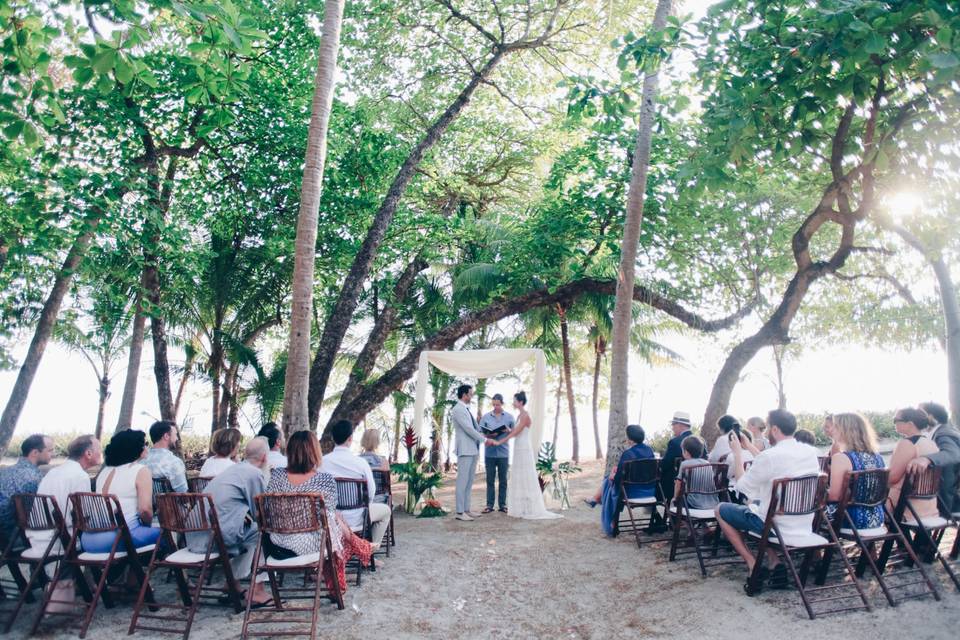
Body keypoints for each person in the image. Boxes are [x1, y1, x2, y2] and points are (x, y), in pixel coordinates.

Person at [715, 409, 819, 592]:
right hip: (803, 522)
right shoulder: (810, 452)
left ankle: (752, 563)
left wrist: (738, 454)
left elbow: (742, 487)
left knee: (721, 510)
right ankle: (774, 561)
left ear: (775, 429)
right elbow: (771, 463)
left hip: (774, 526)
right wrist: (749, 447)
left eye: (769, 426)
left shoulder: (770, 456)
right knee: (758, 506)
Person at [266, 431, 373, 594]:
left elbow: (268, 509)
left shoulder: (277, 476)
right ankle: (350, 554)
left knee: (332, 517)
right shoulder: (324, 480)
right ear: (314, 451)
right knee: (332, 519)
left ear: (290, 451)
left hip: (277, 542)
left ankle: (357, 544)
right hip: (311, 544)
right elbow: (328, 518)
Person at [186, 437, 272, 606]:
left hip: (194, 536)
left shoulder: (234, 470)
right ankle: (257, 590)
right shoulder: (254, 474)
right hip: (213, 540)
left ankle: (232, 583)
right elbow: (260, 513)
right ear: (264, 458)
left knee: (250, 531)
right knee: (262, 532)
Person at [83, 430, 161, 553]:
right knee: (167, 535)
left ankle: (126, 571)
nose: (147, 446)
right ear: (135, 448)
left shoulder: (105, 471)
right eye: (145, 443)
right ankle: (140, 571)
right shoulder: (141, 470)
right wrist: (147, 525)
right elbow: (145, 510)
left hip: (88, 539)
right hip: (117, 538)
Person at [489, 391, 560, 520]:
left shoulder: (525, 415)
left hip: (523, 447)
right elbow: (515, 431)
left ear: (520, 402)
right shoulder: (519, 415)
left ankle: (529, 508)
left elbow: (516, 433)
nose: (513, 402)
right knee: (518, 475)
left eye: (515, 400)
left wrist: (500, 441)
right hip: (518, 447)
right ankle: (521, 507)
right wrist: (508, 430)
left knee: (526, 475)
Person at [320, 420, 392, 548]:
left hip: (332, 518)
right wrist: (364, 505)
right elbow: (371, 492)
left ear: (333, 438)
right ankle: (368, 550)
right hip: (358, 517)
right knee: (386, 511)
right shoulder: (360, 463)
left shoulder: (323, 463)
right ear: (350, 438)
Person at [584, 425, 656, 535]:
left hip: (633, 493)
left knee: (609, 481)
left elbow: (618, 480)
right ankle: (596, 499)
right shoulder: (649, 451)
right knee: (610, 480)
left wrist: (614, 475)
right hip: (650, 491)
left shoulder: (628, 454)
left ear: (630, 440)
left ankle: (604, 510)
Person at [824, 413, 885, 530]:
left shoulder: (841, 458)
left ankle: (811, 547)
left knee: (807, 514)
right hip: (877, 517)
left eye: (835, 426)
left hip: (850, 519)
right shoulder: (877, 457)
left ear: (845, 431)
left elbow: (834, 497)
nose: (831, 430)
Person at [907, 402, 960, 517]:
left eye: (920, 412)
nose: (917, 416)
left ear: (931, 417)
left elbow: (953, 454)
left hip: (953, 501)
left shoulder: (944, 433)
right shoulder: (943, 430)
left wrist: (926, 459)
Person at [451, 384, 494, 521]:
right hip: (465, 449)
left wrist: (486, 432)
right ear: (464, 395)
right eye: (470, 394)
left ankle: (466, 509)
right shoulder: (458, 409)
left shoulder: (466, 409)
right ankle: (459, 512)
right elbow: (468, 429)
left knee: (469, 482)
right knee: (462, 481)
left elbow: (474, 428)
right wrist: (484, 439)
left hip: (473, 449)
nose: (471, 396)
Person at [888, 408, 940, 523]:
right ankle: (906, 541)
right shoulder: (931, 444)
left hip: (905, 507)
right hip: (928, 505)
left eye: (896, 420)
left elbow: (892, 478)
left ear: (910, 424)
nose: (894, 423)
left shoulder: (907, 444)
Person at [0, 434, 53, 541]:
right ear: (35, 453)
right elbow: (38, 513)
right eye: (50, 450)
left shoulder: (4, 472)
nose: (53, 454)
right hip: (16, 536)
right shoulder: (35, 477)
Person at [479, 393, 514, 514]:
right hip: (489, 453)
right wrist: (489, 435)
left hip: (504, 453)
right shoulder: (486, 417)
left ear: (502, 403)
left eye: (497, 405)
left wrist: (508, 430)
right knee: (490, 480)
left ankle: (503, 505)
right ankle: (489, 505)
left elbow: (515, 433)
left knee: (503, 480)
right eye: (493, 404)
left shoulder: (509, 417)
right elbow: (480, 434)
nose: (495, 407)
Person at [676, 436, 720, 512]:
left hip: (693, 503)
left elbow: (678, 483)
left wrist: (675, 497)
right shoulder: (708, 464)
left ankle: (683, 523)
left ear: (686, 452)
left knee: (678, 500)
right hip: (713, 503)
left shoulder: (685, 464)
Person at [144, 420, 187, 493]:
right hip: (170, 504)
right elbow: (182, 492)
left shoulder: (141, 461)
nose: (177, 438)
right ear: (166, 436)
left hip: (143, 503)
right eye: (175, 435)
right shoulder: (173, 462)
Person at [659, 412, 693, 503]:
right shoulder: (701, 441)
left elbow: (665, 464)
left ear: (680, 425)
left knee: (656, 479)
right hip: (695, 485)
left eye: (673, 424)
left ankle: (653, 508)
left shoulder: (675, 442)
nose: (672, 427)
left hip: (676, 485)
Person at [709, 415, 754, 480]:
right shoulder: (743, 435)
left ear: (722, 427)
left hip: (726, 479)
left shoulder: (723, 439)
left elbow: (713, 459)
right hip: (747, 476)